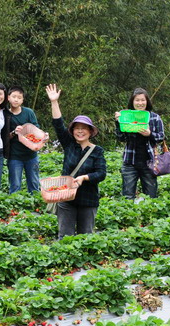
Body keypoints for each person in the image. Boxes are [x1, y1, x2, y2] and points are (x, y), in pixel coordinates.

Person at [45, 84, 107, 237]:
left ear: (90, 131)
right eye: (77, 128)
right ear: (72, 131)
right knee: (65, 237)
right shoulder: (69, 145)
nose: (80, 131)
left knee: (85, 238)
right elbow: (58, 124)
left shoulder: (97, 151)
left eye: (84, 128)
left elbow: (101, 174)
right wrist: (54, 102)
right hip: (66, 197)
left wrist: (84, 178)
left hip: (88, 200)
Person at [114, 88, 165, 199]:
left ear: (147, 101)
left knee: (151, 197)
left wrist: (149, 134)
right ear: (132, 102)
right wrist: (118, 123)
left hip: (149, 163)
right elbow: (121, 138)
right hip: (130, 162)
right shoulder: (127, 117)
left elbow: (161, 137)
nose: (140, 103)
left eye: (143, 100)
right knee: (127, 197)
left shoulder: (154, 117)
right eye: (137, 100)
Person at [7, 86, 44, 194]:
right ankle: (15, 204)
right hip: (14, 156)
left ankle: (34, 203)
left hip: (31, 155)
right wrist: (14, 132)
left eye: (19, 97)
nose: (16, 99)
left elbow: (36, 129)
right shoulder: (5, 115)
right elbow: (3, 137)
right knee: (15, 186)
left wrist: (43, 136)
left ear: (22, 100)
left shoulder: (29, 112)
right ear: (8, 98)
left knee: (34, 184)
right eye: (14, 97)